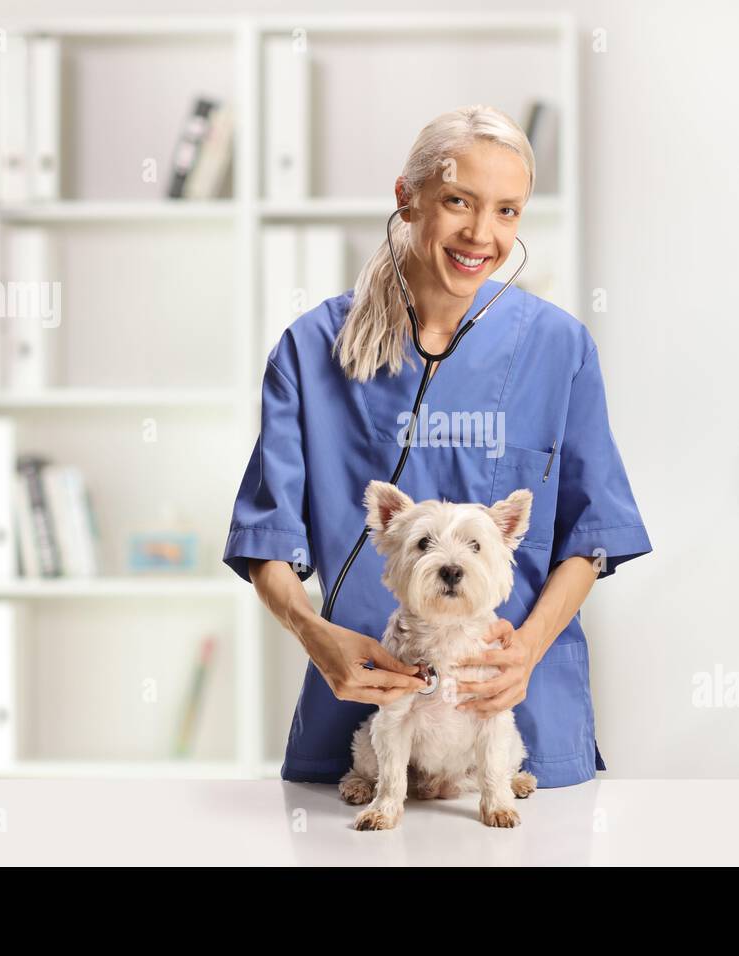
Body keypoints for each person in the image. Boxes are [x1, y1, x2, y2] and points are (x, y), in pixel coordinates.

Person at [224, 104, 651, 788]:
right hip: (361, 720)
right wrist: (315, 636)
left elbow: (591, 535)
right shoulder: (310, 351)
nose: (482, 234)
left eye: (507, 211)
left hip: (520, 719)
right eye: (458, 201)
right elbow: (266, 539)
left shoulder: (558, 348)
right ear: (407, 198)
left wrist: (527, 649)